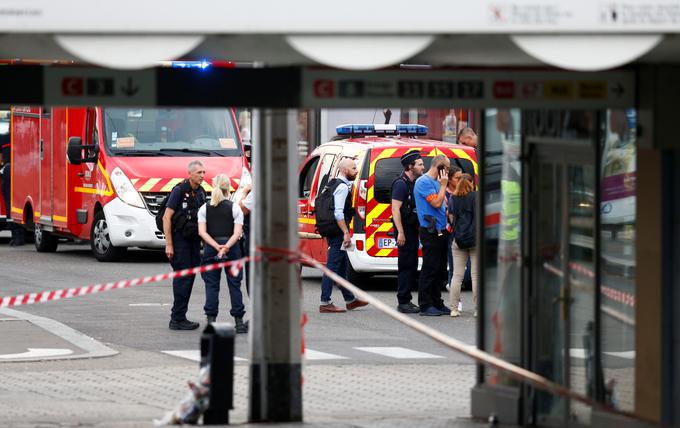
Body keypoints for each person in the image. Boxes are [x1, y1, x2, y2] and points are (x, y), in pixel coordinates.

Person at [198, 174, 248, 334]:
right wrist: (226, 247)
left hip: (211, 249)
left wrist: (216, 246)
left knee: (211, 284)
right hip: (232, 249)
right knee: (235, 284)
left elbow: (202, 232)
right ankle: (239, 322)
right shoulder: (234, 208)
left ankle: (211, 320)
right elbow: (237, 232)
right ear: (229, 189)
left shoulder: (204, 208)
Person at [319, 158, 369, 313]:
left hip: (331, 229)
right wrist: (346, 232)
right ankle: (325, 302)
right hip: (339, 231)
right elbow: (338, 212)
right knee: (332, 267)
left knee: (342, 266)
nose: (356, 171)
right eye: (353, 168)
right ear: (345, 170)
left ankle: (350, 300)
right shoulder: (341, 187)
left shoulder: (332, 183)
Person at [163, 160, 207, 330]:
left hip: (194, 241)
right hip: (180, 240)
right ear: (190, 174)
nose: (203, 176)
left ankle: (181, 316)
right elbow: (167, 217)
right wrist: (169, 244)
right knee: (182, 279)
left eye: (204, 172)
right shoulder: (179, 191)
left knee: (190, 278)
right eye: (199, 173)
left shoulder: (201, 192)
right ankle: (176, 319)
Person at [413, 154, 452, 316]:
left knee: (441, 269)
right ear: (440, 167)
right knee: (430, 268)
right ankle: (425, 304)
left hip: (442, 230)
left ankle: (437, 301)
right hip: (430, 231)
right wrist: (443, 185)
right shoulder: (423, 182)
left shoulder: (436, 183)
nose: (448, 172)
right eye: (447, 169)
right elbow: (436, 203)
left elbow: (444, 204)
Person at [390, 150, 425, 313]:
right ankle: (403, 301)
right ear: (410, 167)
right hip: (405, 231)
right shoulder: (401, 184)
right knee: (405, 266)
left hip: (412, 229)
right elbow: (395, 209)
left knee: (411, 265)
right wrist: (401, 233)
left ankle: (407, 300)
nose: (423, 167)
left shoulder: (414, 182)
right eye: (420, 164)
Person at [448, 173, 479, 317]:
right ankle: (478, 309)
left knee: (457, 276)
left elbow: (451, 218)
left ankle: (454, 308)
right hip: (475, 239)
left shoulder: (453, 198)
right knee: (476, 276)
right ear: (471, 183)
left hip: (458, 240)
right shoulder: (477, 197)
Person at [446, 166, 471, 295]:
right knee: (454, 267)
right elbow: (450, 218)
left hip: (467, 234)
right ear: (449, 180)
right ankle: (455, 300)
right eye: (457, 178)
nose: (461, 180)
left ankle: (452, 286)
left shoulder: (467, 193)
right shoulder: (446, 194)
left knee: (469, 269)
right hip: (451, 234)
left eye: (462, 177)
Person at [1, 130, 24, 246]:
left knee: (10, 204)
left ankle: (16, 237)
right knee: (20, 204)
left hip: (9, 171)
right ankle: (20, 234)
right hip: (23, 170)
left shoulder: (4, 138)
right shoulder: (23, 137)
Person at [239, 183, 253, 295]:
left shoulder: (258, 190)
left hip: (255, 238)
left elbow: (243, 209)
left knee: (252, 272)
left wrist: (244, 193)